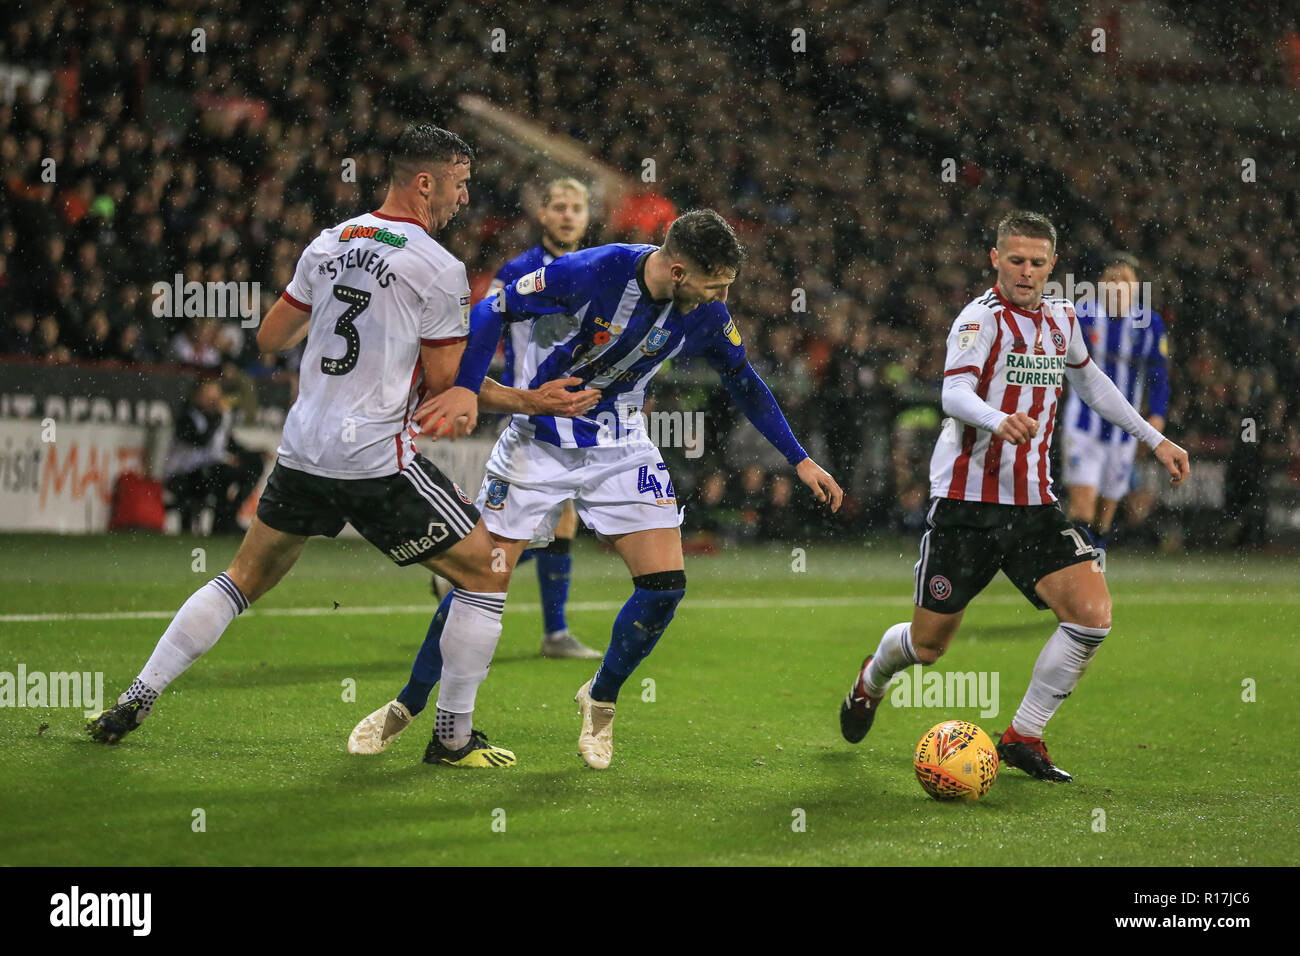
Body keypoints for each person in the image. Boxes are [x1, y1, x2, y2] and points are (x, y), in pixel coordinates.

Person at [87, 124, 596, 769]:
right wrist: (528, 399)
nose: (464, 199)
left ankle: (139, 692)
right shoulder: (437, 268)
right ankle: (451, 736)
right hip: (375, 458)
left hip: (302, 448)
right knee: (488, 570)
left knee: (240, 578)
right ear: (425, 182)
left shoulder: (329, 243)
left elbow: (272, 338)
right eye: (460, 185)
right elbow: (447, 387)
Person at [353, 209, 843, 769]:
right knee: (481, 579)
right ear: (679, 271)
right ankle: (414, 707)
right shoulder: (594, 270)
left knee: (664, 587)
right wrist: (466, 388)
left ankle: (601, 696)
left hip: (621, 443)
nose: (721, 298)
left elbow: (744, 381)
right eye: (716, 285)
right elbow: (493, 308)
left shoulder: (706, 312)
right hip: (540, 439)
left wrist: (800, 460)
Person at [838, 211, 1190, 782]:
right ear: (995, 259)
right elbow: (953, 394)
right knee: (928, 648)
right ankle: (871, 681)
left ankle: (1023, 735)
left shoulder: (1061, 319)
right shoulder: (979, 320)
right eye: (1016, 260)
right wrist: (998, 419)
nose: (1026, 272)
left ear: (1053, 265)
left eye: (1037, 262)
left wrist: (1155, 438)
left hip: (1032, 505)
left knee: (1092, 616)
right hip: (966, 505)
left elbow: (1093, 381)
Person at [428, 176, 602, 661]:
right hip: (532, 413)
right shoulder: (519, 270)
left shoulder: (596, 267)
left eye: (576, 208)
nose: (568, 215)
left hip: (575, 415)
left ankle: (552, 631)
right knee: (527, 529)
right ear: (542, 214)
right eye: (559, 206)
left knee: (559, 524)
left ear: (586, 217)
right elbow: (484, 325)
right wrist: (470, 389)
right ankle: (465, 578)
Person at [1063, 253, 1169, 552]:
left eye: (1125, 279)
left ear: (1136, 287)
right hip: (1083, 425)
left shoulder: (1150, 324)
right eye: (1112, 278)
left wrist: (1158, 413)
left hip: (1123, 432)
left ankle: (1094, 568)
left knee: (1104, 515)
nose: (1117, 285)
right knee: (1082, 508)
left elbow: (1158, 375)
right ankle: (1076, 578)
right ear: (1100, 284)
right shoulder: (1080, 316)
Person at [163, 378, 263, 535]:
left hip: (210, 469)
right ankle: (220, 519)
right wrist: (217, 418)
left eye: (216, 395)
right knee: (219, 473)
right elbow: (201, 442)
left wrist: (253, 453)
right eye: (208, 395)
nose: (214, 400)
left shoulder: (217, 418)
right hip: (184, 474)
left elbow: (228, 444)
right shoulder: (186, 416)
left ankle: (228, 516)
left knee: (254, 464)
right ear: (196, 396)